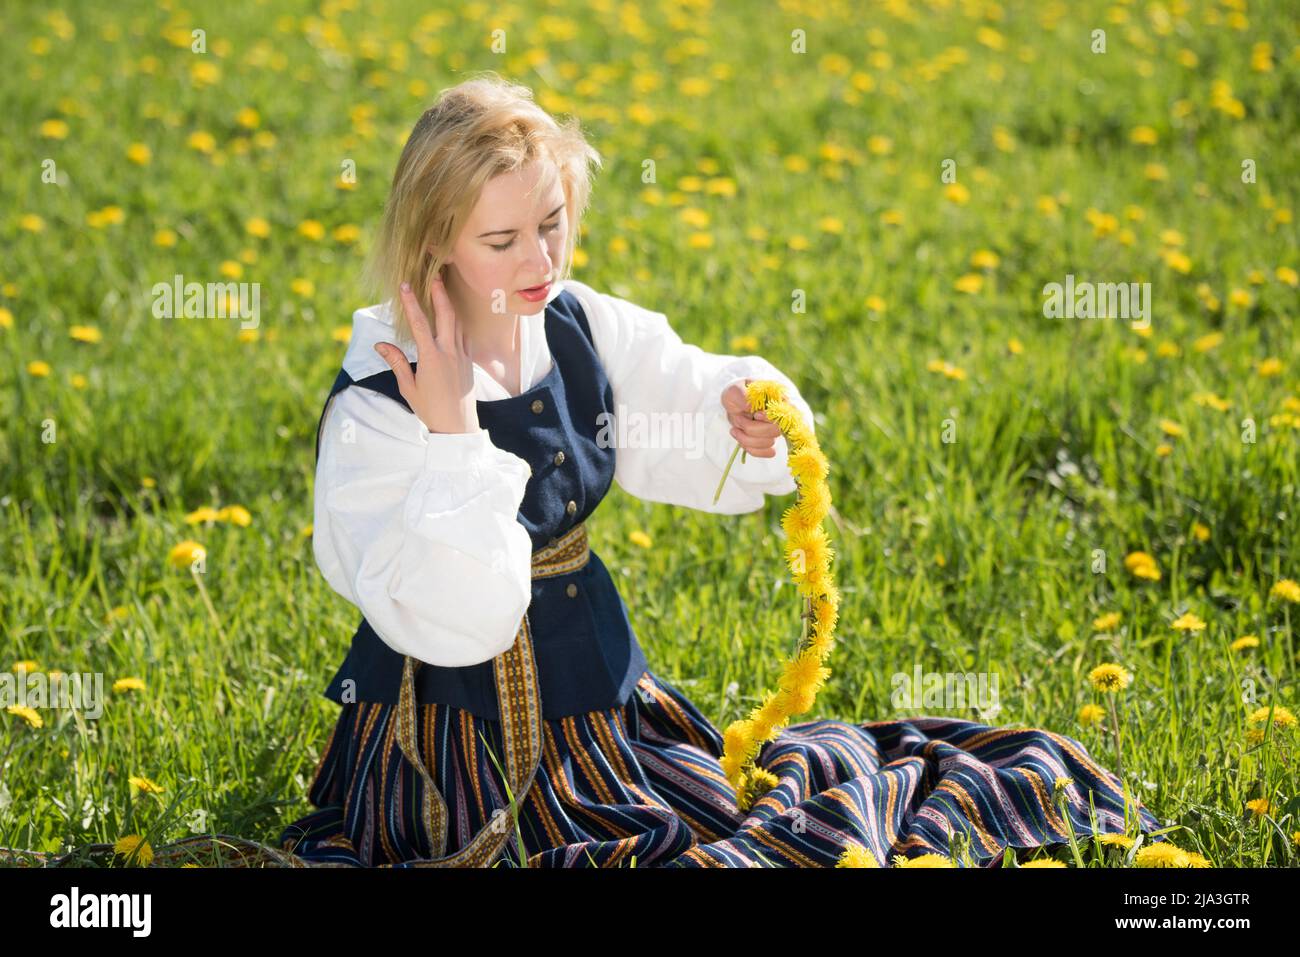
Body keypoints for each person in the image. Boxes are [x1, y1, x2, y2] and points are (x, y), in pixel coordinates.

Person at [275, 73, 1165, 868]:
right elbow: (449, 615)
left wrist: (736, 416)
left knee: (714, 810)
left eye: (552, 224)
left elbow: (675, 384)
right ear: (435, 244)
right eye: (502, 240)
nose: (541, 262)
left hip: (599, 705)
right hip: (450, 742)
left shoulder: (575, 323)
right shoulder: (378, 403)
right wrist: (453, 432)